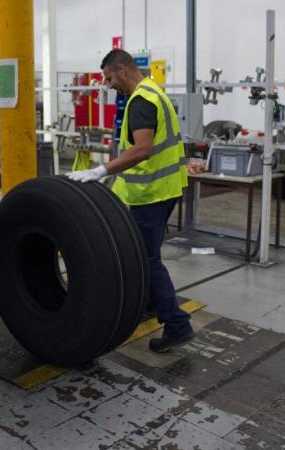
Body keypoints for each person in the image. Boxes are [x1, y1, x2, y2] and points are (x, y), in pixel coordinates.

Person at [66, 49, 194, 353]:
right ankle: (150, 305)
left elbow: (142, 150)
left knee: (147, 261)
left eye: (109, 78)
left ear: (123, 69)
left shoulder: (140, 101)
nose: (109, 85)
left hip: (150, 195)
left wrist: (101, 170)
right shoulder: (155, 92)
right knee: (146, 255)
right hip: (167, 189)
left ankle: (177, 325)